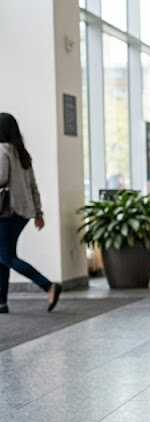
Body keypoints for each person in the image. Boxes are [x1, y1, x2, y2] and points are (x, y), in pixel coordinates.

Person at [0, 113, 62, 314]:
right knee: (3, 255)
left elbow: (0, 179)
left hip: (6, 212)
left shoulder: (2, 150)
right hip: (23, 212)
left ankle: (47, 285)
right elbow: (33, 186)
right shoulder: (22, 153)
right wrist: (38, 212)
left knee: (6, 256)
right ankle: (1, 302)